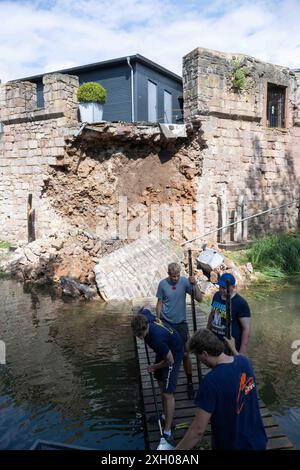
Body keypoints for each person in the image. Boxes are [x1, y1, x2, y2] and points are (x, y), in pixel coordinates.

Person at [176, 328, 267, 450]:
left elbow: (198, 430)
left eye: (198, 357)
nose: (200, 361)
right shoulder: (245, 362)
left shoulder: (210, 382)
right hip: (258, 442)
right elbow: (238, 358)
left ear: (205, 354)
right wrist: (234, 349)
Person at [131, 308, 184, 442]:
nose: (140, 337)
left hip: (174, 353)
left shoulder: (156, 339)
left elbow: (170, 360)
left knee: (168, 394)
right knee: (160, 381)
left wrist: (154, 367)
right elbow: (145, 309)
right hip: (164, 350)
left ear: (147, 326)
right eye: (137, 335)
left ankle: (167, 431)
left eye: (142, 334)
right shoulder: (144, 317)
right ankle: (165, 415)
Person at [156, 262, 203, 397]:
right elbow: (159, 304)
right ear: (168, 274)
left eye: (177, 276)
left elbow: (199, 299)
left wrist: (195, 284)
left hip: (181, 324)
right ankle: (167, 380)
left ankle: (189, 382)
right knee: (166, 352)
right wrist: (158, 321)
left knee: (186, 354)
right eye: (173, 276)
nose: (176, 279)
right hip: (166, 324)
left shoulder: (184, 282)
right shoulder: (162, 284)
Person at [207, 272, 251, 354]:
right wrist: (207, 332)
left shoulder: (240, 303)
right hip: (215, 343)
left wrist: (241, 354)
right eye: (220, 287)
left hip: (231, 346)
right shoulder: (217, 296)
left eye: (224, 288)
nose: (221, 290)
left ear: (233, 287)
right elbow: (212, 314)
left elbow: (246, 329)